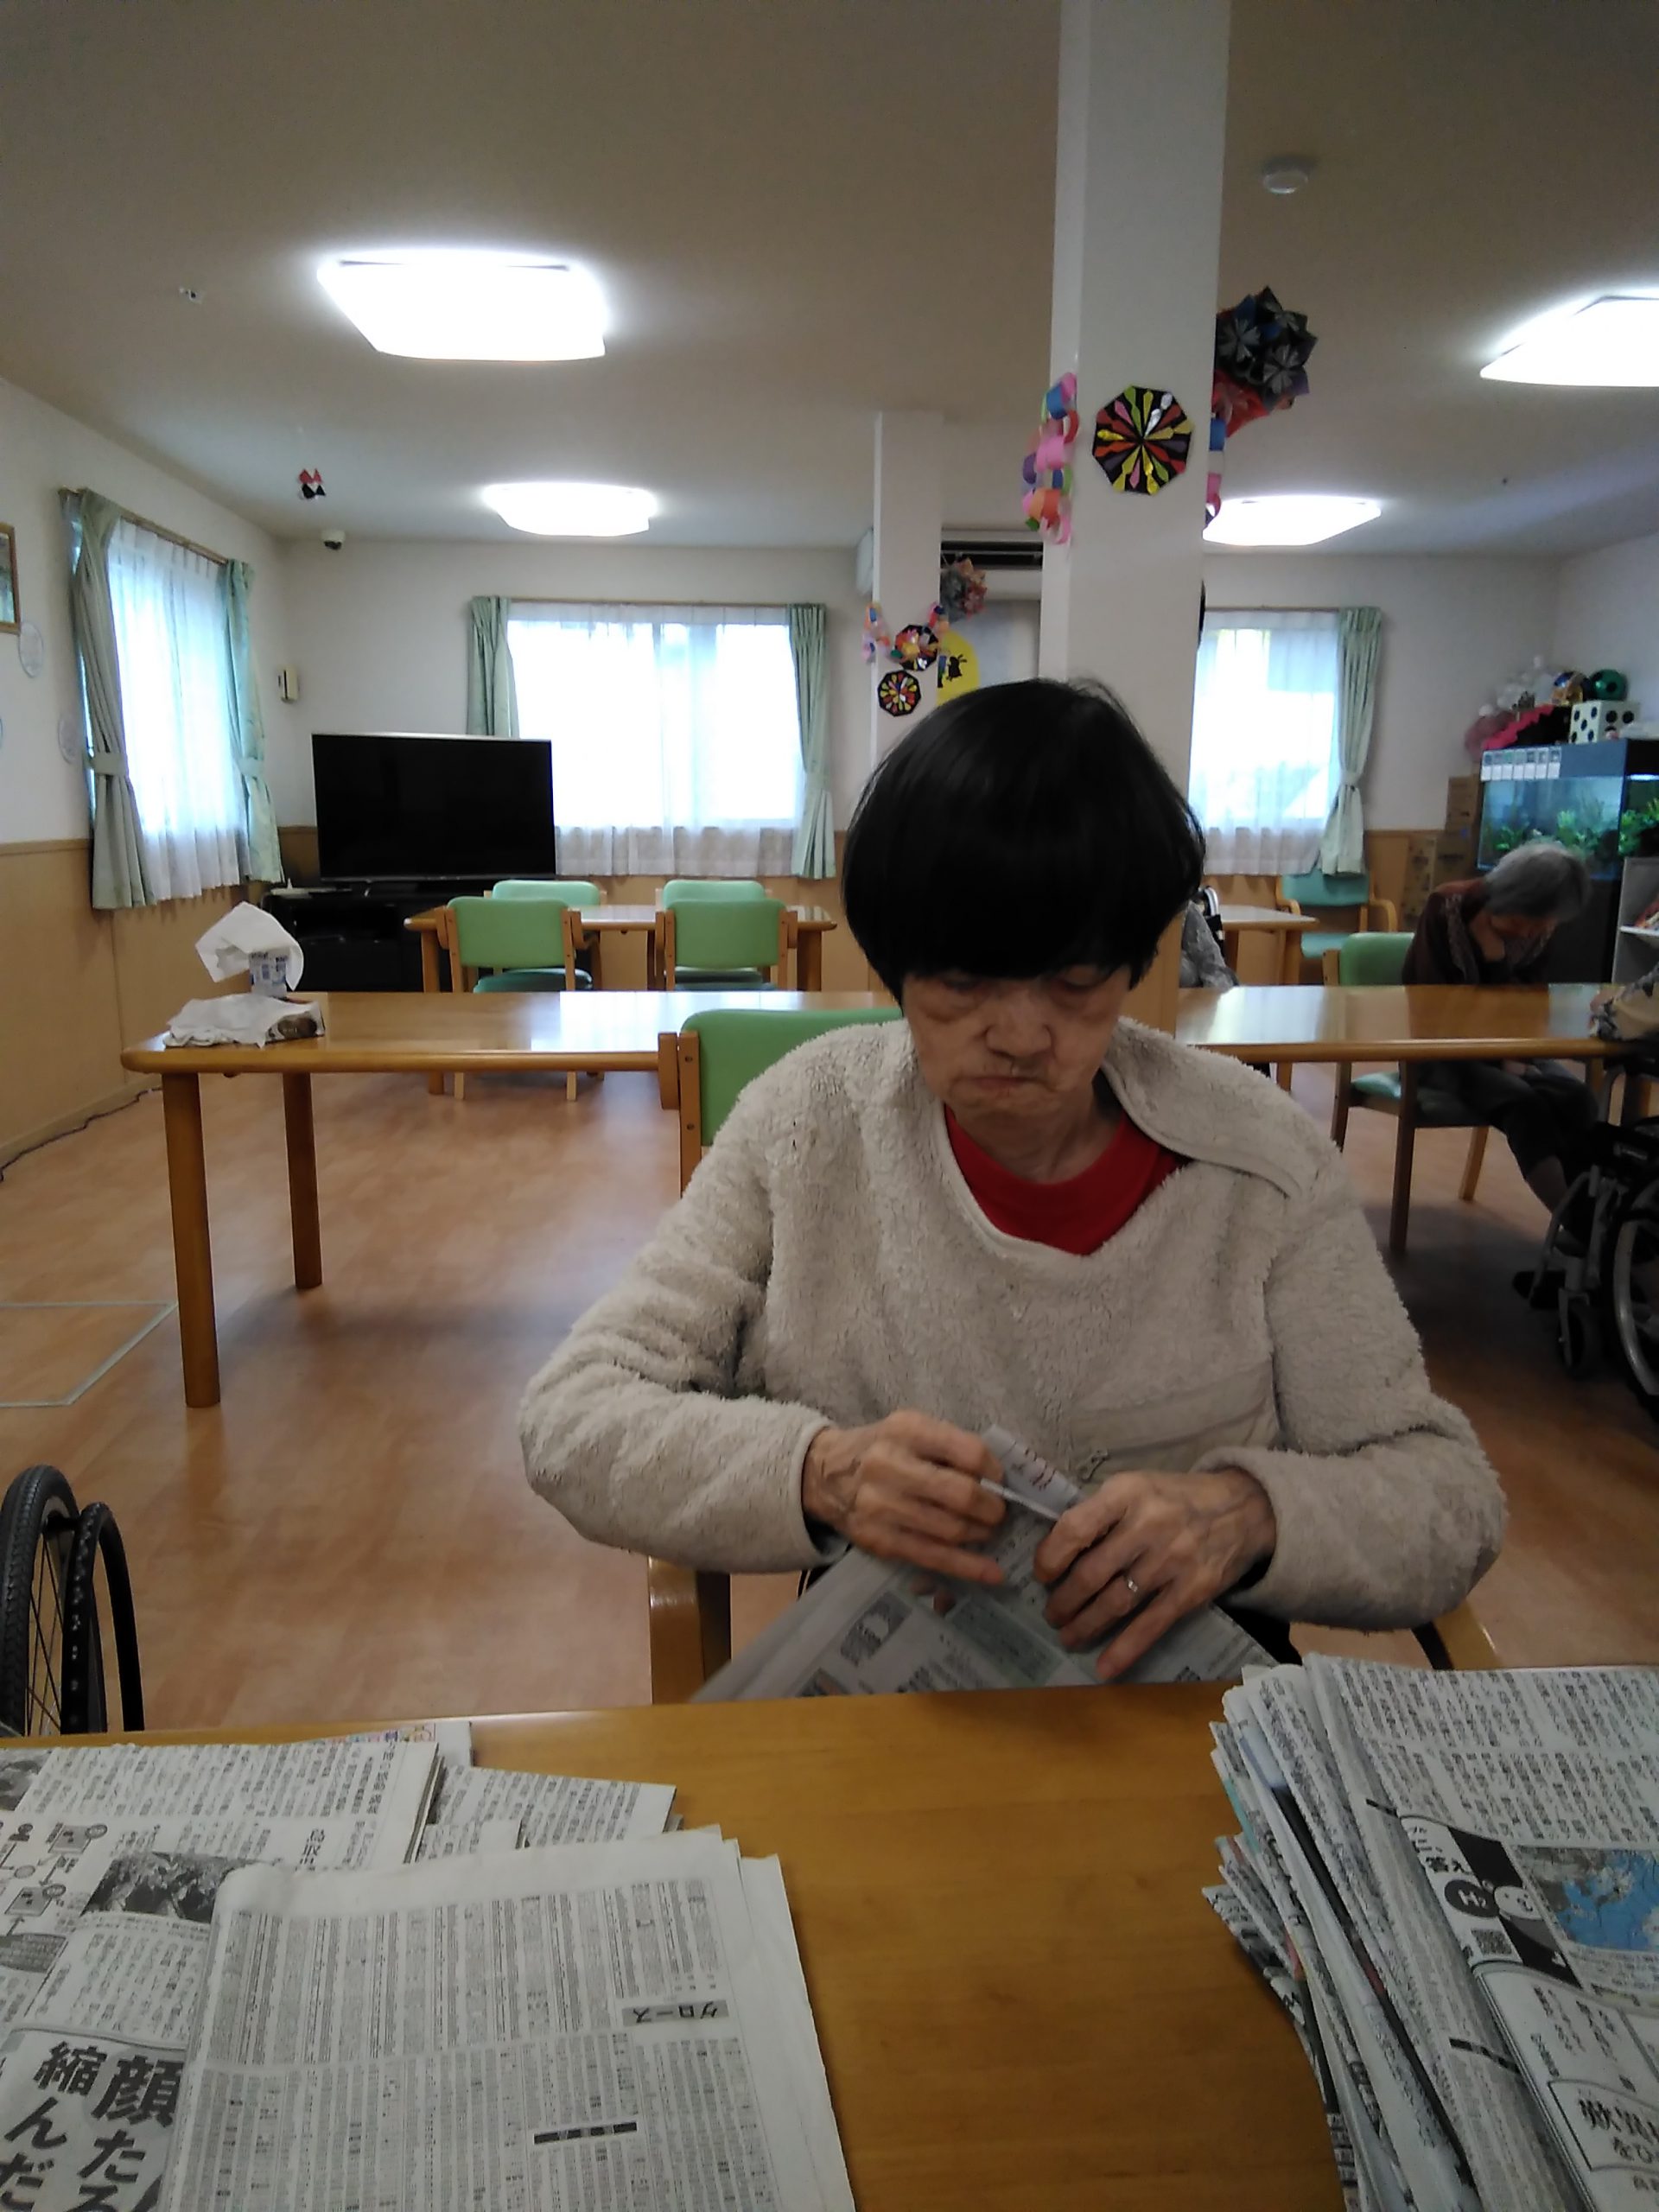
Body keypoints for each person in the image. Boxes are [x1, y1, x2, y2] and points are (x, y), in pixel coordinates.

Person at [520, 680, 1503, 1677]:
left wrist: (1246, 1514)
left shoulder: (1258, 1159)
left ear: (1133, 963)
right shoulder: (808, 1125)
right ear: (896, 965)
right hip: (895, 1690)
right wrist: (824, 1471)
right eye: (963, 979)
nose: (1024, 1034)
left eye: (1076, 982)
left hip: (1189, 1707)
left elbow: (1448, 1495)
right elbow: (575, 1416)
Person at [1402, 842, 1596, 1217]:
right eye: (1535, 917)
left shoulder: (1538, 930)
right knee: (1524, 1105)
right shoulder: (1446, 908)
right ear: (1514, 896)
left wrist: (1512, 1055)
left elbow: (1527, 1004)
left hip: (1511, 1048)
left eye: (1548, 920)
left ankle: (1598, 1215)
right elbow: (1431, 1008)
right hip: (1438, 1052)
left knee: (1578, 1098)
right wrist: (1493, 963)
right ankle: (1579, 1225)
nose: (1541, 929)